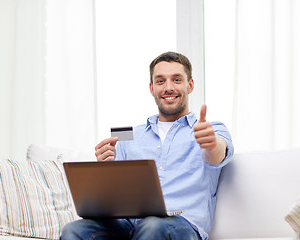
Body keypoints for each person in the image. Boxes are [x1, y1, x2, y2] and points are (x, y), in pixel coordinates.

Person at [60, 51, 234, 240]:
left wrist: (210, 144)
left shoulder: (211, 129)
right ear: (151, 88)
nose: (168, 87)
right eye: (160, 81)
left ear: (189, 85)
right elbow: (116, 192)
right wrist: (105, 165)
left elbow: (217, 153)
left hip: (181, 225)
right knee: (74, 230)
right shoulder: (129, 134)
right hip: (129, 224)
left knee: (152, 226)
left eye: (176, 80)